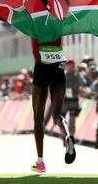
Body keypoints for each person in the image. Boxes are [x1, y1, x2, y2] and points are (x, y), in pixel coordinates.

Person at [30, 37, 73, 173]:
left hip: (41, 68)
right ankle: (67, 137)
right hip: (57, 68)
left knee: (38, 117)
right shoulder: (57, 24)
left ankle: (40, 162)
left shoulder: (34, 24)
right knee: (57, 115)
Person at [62, 59, 85, 138]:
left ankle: (71, 136)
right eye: (69, 65)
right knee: (63, 119)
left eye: (72, 65)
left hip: (73, 100)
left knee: (72, 118)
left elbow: (83, 83)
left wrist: (78, 74)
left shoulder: (77, 75)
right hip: (64, 100)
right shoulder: (63, 75)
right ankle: (64, 135)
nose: (70, 67)